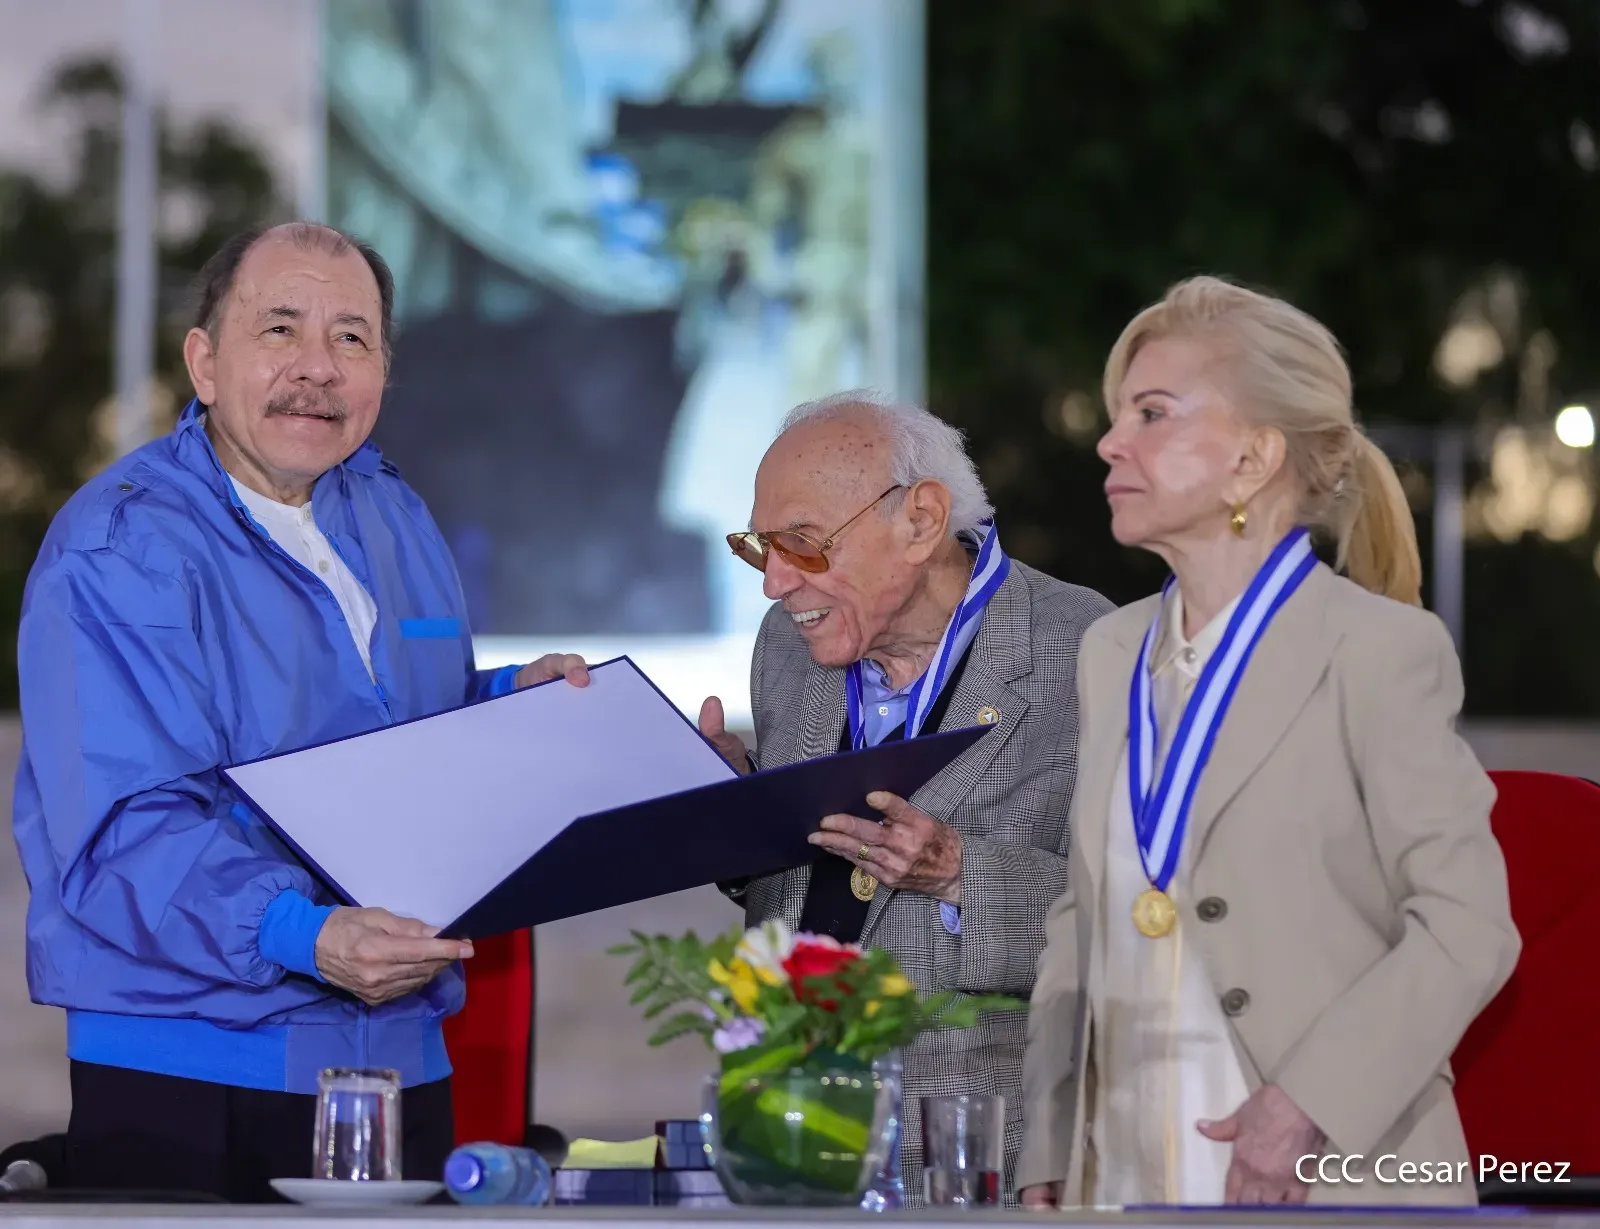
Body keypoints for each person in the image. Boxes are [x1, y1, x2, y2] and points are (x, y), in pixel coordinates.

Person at [11, 222, 587, 1201]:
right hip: (192, 1073)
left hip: (402, 1059)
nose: (317, 369)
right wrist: (304, 935)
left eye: (352, 338)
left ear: (385, 372)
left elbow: (414, 731)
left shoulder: (391, 510)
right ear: (204, 360)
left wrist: (513, 705)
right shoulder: (118, 547)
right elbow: (119, 830)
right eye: (280, 329)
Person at [1017, 276, 1520, 1209]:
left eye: (1152, 412)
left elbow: (1468, 926)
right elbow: (1077, 922)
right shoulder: (1109, 651)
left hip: (1323, 1173)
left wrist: (1306, 1105)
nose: (1109, 441)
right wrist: (1048, 1142)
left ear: (1252, 459)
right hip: (1121, 1172)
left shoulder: (1378, 650)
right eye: (1119, 413)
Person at [698, 391, 1113, 1198]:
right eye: (761, 548)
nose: (775, 583)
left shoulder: (1086, 649)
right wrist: (736, 807)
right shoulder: (786, 647)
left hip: (987, 1152)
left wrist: (962, 872)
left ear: (922, 520)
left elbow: (1140, 921)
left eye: (804, 545)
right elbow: (805, 885)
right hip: (790, 1135)